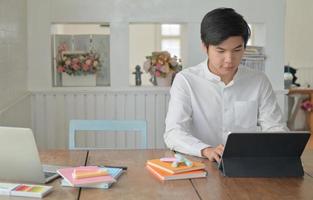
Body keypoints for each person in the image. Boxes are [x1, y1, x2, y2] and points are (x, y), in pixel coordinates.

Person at [164, 8, 288, 162]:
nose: (229, 59)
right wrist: (205, 150)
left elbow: (275, 127)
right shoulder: (186, 80)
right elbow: (173, 133)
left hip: (245, 165)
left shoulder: (258, 80)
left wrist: (279, 144)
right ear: (205, 46)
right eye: (221, 51)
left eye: (237, 50)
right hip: (201, 164)